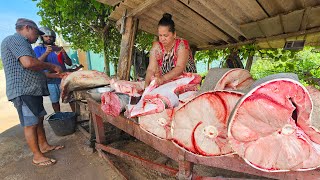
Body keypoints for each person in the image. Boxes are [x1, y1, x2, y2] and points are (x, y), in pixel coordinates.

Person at [0, 18, 64, 167]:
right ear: (27, 28)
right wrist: (52, 66)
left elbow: (36, 69)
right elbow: (29, 64)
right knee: (30, 124)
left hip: (32, 90)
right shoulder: (15, 40)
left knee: (39, 119)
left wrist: (56, 74)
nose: (38, 37)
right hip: (23, 90)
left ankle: (44, 146)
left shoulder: (24, 45)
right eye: (36, 32)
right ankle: (37, 155)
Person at [145, 13, 197, 87]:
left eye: (165, 35)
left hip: (187, 83)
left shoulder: (182, 45)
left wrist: (162, 79)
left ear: (174, 34)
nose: (162, 39)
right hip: (167, 84)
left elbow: (180, 68)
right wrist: (146, 85)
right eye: (160, 35)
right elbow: (151, 69)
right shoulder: (156, 47)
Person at [34, 27, 74, 112]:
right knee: (55, 101)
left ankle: (76, 115)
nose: (49, 38)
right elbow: (37, 62)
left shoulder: (58, 48)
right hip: (50, 81)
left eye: (51, 37)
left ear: (54, 38)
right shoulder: (38, 49)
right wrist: (46, 53)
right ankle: (58, 116)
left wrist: (64, 54)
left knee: (71, 99)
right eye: (46, 36)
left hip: (63, 79)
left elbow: (69, 63)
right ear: (42, 37)